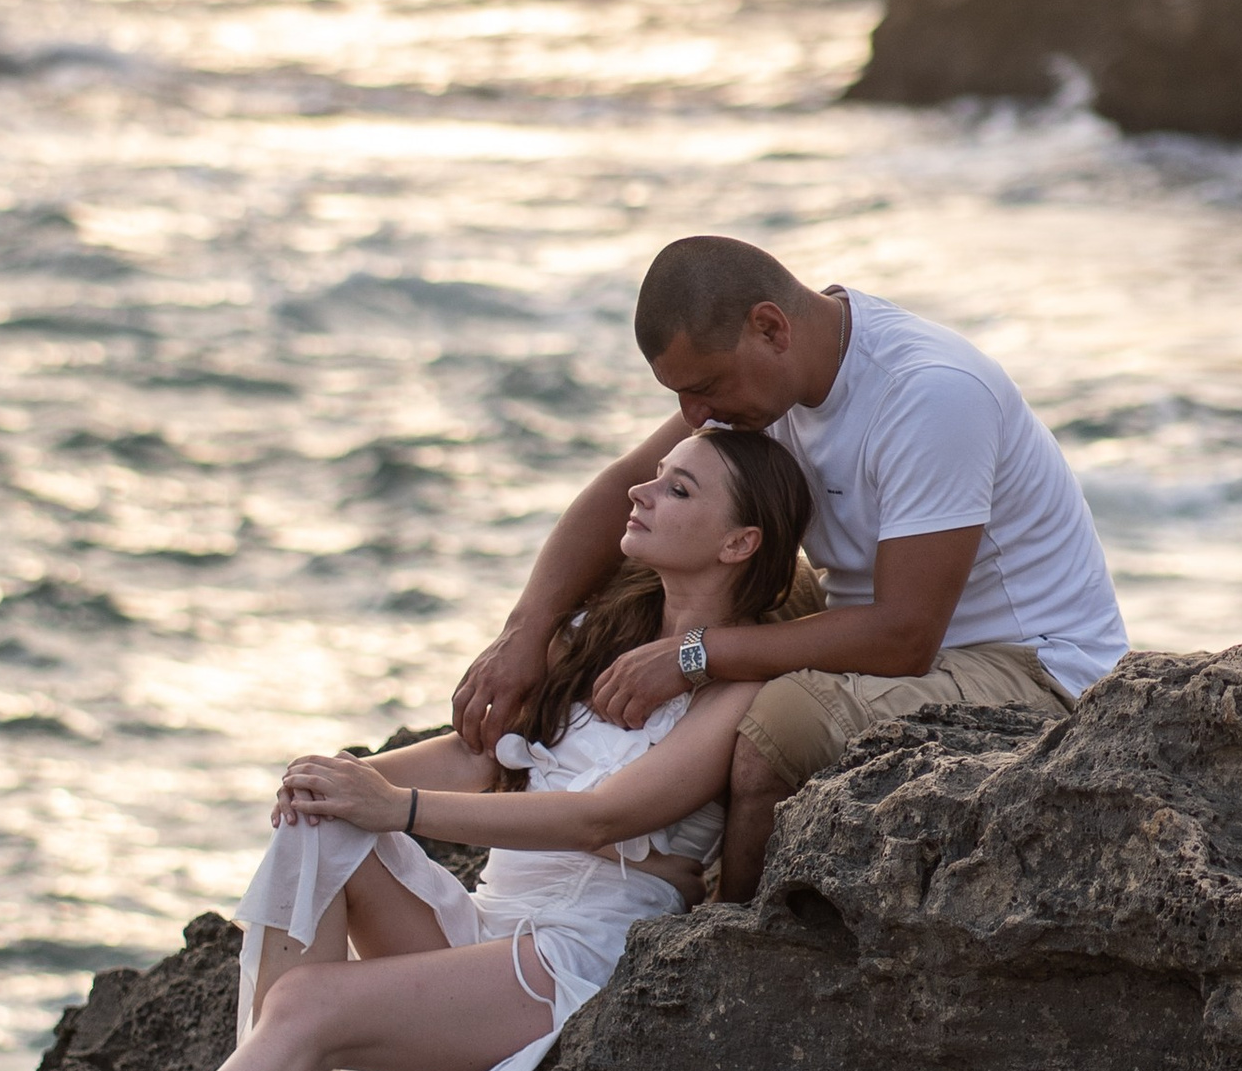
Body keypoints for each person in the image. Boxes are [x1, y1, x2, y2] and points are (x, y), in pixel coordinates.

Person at [0, 423, 812, 1071]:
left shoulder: (737, 687)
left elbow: (605, 814)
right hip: (486, 938)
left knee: (311, 1001)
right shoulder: (601, 632)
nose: (642, 494)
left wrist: (393, 808)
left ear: (742, 543)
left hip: (576, 964)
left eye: (678, 490)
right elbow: (483, 760)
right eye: (655, 479)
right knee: (316, 827)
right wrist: (344, 785)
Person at [453, 234, 1127, 901]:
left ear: (769, 329)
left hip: (1029, 664)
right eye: (682, 396)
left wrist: (694, 655)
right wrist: (525, 633)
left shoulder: (929, 394)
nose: (695, 416)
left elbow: (905, 635)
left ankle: (726, 931)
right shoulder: (770, 387)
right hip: (877, 634)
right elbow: (623, 486)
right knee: (638, 584)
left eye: (706, 388)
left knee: (778, 724)